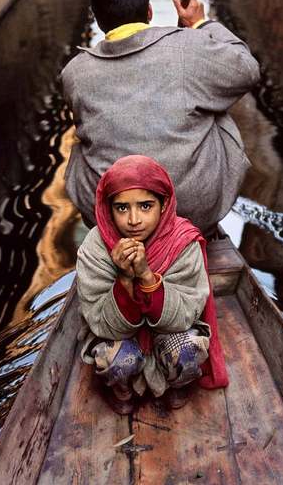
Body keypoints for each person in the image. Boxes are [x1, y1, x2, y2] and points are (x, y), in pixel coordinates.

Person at [61, 0, 260, 234]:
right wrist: (201, 23)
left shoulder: (74, 73)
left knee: (80, 141)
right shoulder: (189, 47)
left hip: (112, 214)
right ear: (149, 11)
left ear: (97, 18)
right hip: (192, 210)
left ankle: (116, 226)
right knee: (215, 99)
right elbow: (247, 70)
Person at [75, 155, 228, 414]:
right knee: (116, 358)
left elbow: (185, 316)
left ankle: (178, 382)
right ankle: (123, 388)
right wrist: (123, 278)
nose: (134, 220)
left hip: (169, 332)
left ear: (164, 204)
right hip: (120, 336)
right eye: (122, 208)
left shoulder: (183, 242)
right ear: (107, 209)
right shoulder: (95, 247)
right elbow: (100, 322)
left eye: (146, 206)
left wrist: (146, 276)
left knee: (188, 349)